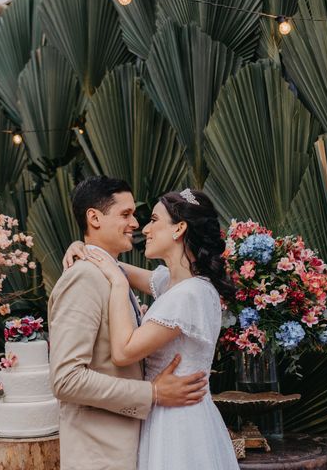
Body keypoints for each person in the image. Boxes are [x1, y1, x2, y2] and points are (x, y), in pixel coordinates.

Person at [63, 187, 240, 469]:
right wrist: (84, 248)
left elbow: (123, 353)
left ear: (179, 229)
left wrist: (119, 286)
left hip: (177, 424)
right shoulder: (175, 284)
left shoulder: (189, 295)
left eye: (154, 220)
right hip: (164, 413)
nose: (144, 228)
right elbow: (113, 265)